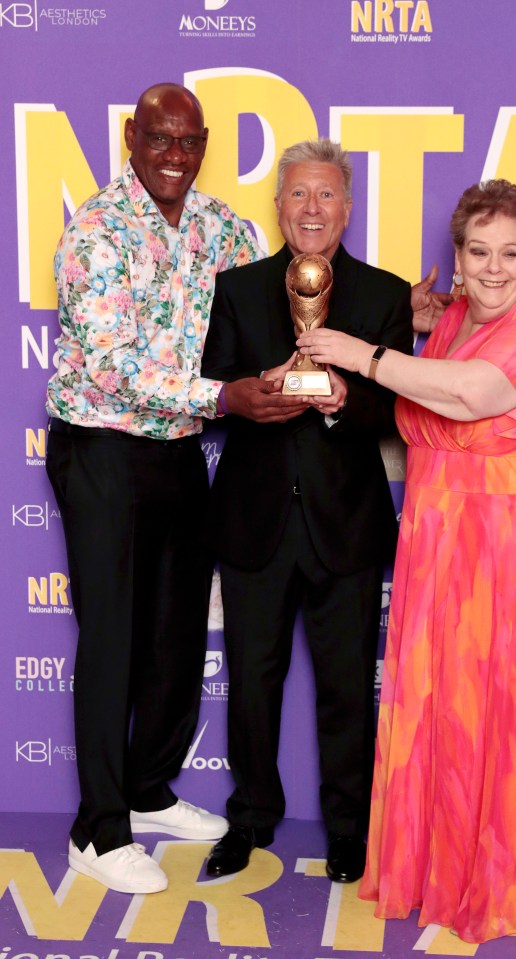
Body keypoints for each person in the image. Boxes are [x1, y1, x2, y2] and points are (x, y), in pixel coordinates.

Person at [297, 179, 516, 941]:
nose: (494, 268)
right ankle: (450, 860)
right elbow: (430, 398)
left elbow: (470, 397)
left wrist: (363, 353)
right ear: (457, 258)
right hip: (450, 559)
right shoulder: (456, 321)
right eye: (479, 252)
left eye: (510, 253)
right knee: (457, 716)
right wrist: (411, 326)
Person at [45, 82, 306, 895]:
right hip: (102, 445)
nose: (173, 155)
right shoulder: (94, 229)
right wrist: (223, 396)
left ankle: (152, 788)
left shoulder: (224, 227)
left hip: (183, 451)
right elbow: (112, 363)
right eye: (158, 138)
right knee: (115, 635)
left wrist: (396, 311)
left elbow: (278, 310)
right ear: (131, 137)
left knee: (174, 635)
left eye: (187, 141)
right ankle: (98, 827)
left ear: (204, 142)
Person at [202, 138, 414, 884]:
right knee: (252, 684)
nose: (312, 208)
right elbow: (215, 389)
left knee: (348, 686)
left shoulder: (385, 295)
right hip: (255, 522)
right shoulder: (236, 288)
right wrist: (262, 383)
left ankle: (352, 832)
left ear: (347, 208)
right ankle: (251, 817)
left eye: (326, 195)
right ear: (280, 205)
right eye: (298, 194)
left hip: (346, 524)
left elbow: (395, 409)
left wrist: (343, 400)